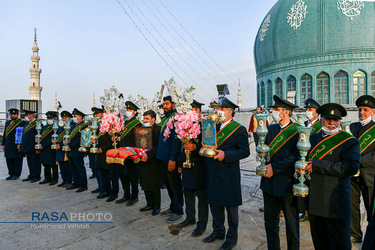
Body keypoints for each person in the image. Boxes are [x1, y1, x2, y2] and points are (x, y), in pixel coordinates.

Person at [305, 103, 360, 249]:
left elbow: (351, 167)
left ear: (340, 121)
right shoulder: (311, 139)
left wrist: (318, 165)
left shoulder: (350, 141)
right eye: (328, 119)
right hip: (316, 202)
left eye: (335, 119)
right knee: (320, 243)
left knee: (339, 244)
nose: (331, 123)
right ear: (321, 119)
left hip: (336, 203)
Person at [203, 98, 250, 250]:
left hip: (228, 173)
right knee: (215, 204)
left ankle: (231, 238)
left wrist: (226, 155)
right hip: (213, 172)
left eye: (222, 109)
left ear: (230, 112)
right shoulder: (214, 126)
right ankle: (218, 231)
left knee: (231, 208)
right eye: (219, 109)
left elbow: (244, 151)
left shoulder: (239, 129)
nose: (219, 112)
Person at [259, 95, 300, 250]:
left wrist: (274, 168)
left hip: (287, 183)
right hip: (268, 184)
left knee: (291, 224)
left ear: (286, 112)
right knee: (270, 223)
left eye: (276, 110)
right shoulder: (270, 129)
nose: (273, 112)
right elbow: (264, 151)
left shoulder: (297, 131)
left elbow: (296, 157)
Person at [177, 100, 208, 237]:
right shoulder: (183, 124)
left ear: (199, 111)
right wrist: (180, 163)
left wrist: (196, 148)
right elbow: (180, 146)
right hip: (186, 165)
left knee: (201, 197)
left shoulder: (204, 125)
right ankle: (189, 217)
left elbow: (210, 146)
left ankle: (201, 224)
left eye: (195, 109)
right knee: (188, 192)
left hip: (200, 166)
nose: (193, 112)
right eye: (191, 109)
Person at [349, 95, 375, 243]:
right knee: (352, 206)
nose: (362, 112)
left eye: (366, 110)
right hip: (352, 175)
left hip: (370, 175)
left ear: (373, 112)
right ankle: (355, 234)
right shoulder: (352, 127)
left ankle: (371, 237)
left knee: (371, 208)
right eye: (360, 110)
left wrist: (357, 161)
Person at [156, 96, 184, 223]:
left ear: (173, 104)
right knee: (168, 185)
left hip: (171, 159)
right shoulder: (166, 118)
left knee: (175, 185)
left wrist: (173, 159)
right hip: (163, 158)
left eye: (167, 104)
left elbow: (176, 141)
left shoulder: (176, 118)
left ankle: (178, 210)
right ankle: (173, 207)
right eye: (164, 104)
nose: (164, 106)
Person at [299, 98, 321, 222]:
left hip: (314, 159)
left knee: (313, 187)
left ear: (316, 112)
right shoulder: (304, 124)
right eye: (307, 109)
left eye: (310, 109)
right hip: (303, 158)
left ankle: (313, 212)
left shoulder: (320, 125)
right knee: (303, 184)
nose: (308, 111)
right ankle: (305, 211)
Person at [116, 101, 142, 206]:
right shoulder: (124, 122)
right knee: (123, 175)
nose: (128, 111)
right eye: (127, 110)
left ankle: (134, 196)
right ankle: (126, 194)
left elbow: (138, 140)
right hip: (121, 154)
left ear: (135, 112)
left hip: (130, 154)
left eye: (130, 110)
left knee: (132, 176)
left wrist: (129, 150)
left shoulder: (137, 123)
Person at [138, 110, 162, 216]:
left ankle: (156, 206)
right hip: (143, 160)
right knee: (145, 183)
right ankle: (149, 204)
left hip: (153, 161)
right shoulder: (142, 129)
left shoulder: (158, 129)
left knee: (154, 184)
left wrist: (149, 154)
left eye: (147, 119)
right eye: (144, 118)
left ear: (153, 119)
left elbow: (158, 146)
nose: (145, 120)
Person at [96, 108, 120, 202]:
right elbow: (98, 136)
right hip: (100, 153)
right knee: (103, 173)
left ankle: (114, 192)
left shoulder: (114, 123)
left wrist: (103, 148)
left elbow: (113, 141)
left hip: (109, 153)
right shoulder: (101, 124)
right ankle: (106, 190)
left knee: (113, 174)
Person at [65, 108, 88, 192]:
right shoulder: (73, 126)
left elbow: (80, 139)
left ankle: (83, 185)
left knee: (79, 168)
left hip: (77, 150)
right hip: (70, 150)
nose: (74, 118)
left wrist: (70, 145)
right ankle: (76, 183)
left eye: (75, 116)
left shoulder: (84, 126)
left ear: (80, 117)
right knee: (73, 168)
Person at [2, 108, 25, 180]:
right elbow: (5, 134)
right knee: (9, 159)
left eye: (14, 114)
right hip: (8, 144)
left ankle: (16, 174)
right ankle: (11, 174)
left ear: (17, 115)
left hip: (16, 144)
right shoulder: (7, 123)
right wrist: (3, 144)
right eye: (12, 114)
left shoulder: (21, 122)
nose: (13, 115)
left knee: (17, 159)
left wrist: (20, 143)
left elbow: (22, 134)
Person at [19, 110, 41, 182]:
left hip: (34, 146)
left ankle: (36, 176)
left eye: (26, 115)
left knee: (35, 162)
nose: (25, 117)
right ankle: (31, 175)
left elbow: (39, 135)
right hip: (27, 146)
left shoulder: (37, 124)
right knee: (30, 162)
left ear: (31, 116)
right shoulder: (26, 124)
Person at [38, 111, 59, 185]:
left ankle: (55, 178)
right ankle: (47, 178)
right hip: (44, 149)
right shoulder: (45, 127)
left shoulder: (56, 127)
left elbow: (52, 139)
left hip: (51, 148)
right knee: (46, 164)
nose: (50, 120)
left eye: (51, 118)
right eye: (48, 118)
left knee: (53, 164)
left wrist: (43, 145)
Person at [55, 111, 74, 188]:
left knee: (67, 167)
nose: (64, 119)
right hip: (60, 149)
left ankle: (69, 180)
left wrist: (60, 144)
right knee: (62, 166)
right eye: (63, 118)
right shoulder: (61, 127)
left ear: (70, 118)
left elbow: (69, 138)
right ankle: (64, 180)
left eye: (66, 118)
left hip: (66, 149)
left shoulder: (72, 127)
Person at [89, 107, 104, 194]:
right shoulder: (93, 125)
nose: (95, 116)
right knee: (96, 169)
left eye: (97, 114)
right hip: (93, 150)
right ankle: (100, 186)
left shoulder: (104, 124)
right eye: (94, 115)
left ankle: (103, 188)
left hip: (100, 150)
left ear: (101, 114)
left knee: (101, 171)